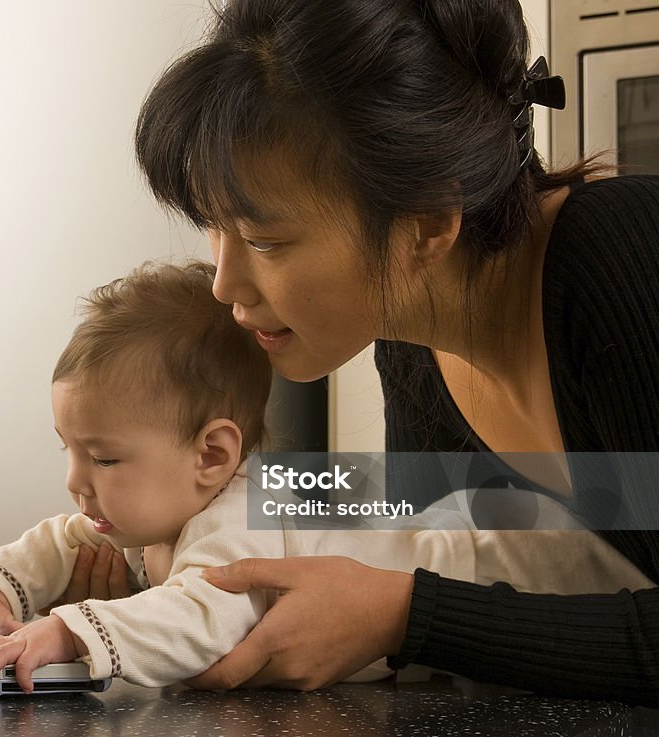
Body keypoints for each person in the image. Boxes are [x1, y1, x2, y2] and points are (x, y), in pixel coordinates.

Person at [127, 0, 659, 706]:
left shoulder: (619, 267)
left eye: (264, 240)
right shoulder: (413, 343)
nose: (224, 282)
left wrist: (406, 615)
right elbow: (402, 535)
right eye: (213, 229)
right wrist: (175, 526)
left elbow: (412, 596)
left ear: (427, 226)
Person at [0, 261, 651, 692]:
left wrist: (69, 630)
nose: (77, 481)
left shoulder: (232, 515)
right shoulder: (156, 507)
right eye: (68, 449)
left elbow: (203, 615)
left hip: (540, 563)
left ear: (211, 455)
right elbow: (54, 541)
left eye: (103, 458)